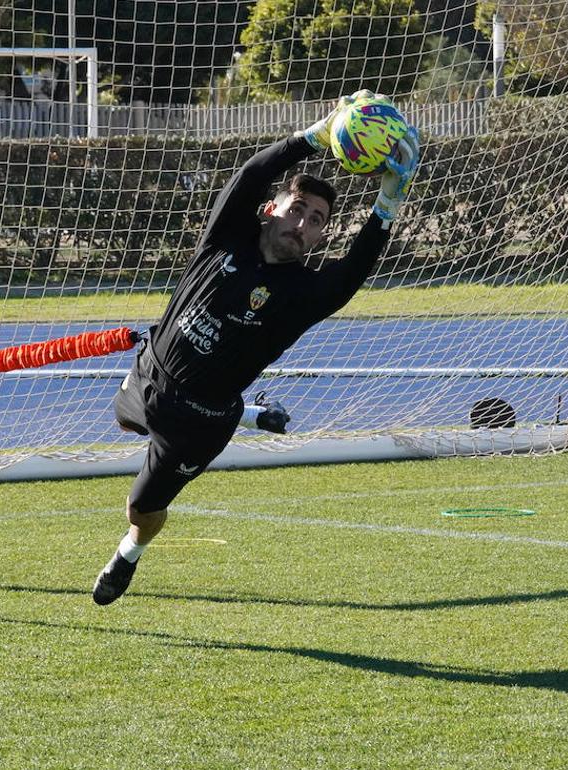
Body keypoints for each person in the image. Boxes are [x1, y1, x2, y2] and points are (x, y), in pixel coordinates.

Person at [93, 91, 420, 605]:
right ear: (272, 210)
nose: (302, 223)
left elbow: (354, 269)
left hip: (199, 423)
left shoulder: (305, 296)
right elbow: (246, 176)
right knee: (125, 419)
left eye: (316, 221)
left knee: (141, 508)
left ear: (318, 239)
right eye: (297, 209)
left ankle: (128, 554)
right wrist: (311, 138)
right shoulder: (227, 238)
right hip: (148, 375)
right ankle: (249, 413)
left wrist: (387, 203)